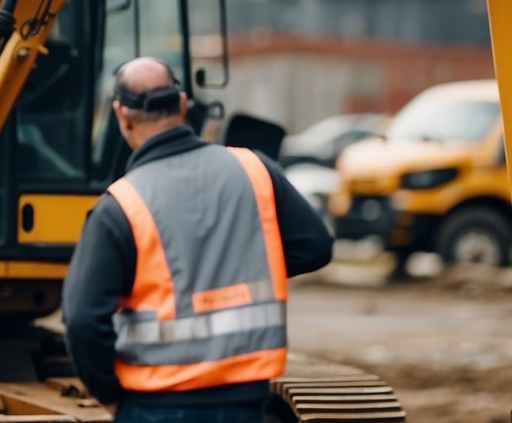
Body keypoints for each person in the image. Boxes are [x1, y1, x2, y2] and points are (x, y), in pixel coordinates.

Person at [61, 57, 334, 422]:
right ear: (183, 104)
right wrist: (243, 268)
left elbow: (82, 320)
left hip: (154, 406)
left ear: (121, 115)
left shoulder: (121, 205)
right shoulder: (254, 170)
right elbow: (315, 247)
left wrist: (109, 396)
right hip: (247, 402)